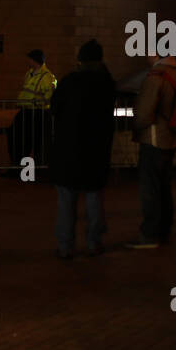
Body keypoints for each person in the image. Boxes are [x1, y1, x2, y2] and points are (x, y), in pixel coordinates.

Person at [49, 39, 116, 259]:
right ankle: (93, 242)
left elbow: (55, 108)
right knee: (94, 199)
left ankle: (65, 246)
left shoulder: (69, 82)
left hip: (67, 151)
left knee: (66, 202)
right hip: (95, 151)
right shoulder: (105, 84)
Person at [126, 55, 176, 250]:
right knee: (164, 186)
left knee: (150, 188)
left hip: (154, 138)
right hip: (170, 138)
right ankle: (164, 229)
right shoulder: (174, 75)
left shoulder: (155, 77)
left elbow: (143, 113)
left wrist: (136, 125)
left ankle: (150, 233)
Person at [6, 49, 56, 173]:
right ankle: (19, 168)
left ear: (35, 60)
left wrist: (38, 103)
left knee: (33, 142)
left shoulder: (48, 77)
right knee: (17, 139)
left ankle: (29, 171)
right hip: (26, 111)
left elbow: (50, 96)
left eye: (29, 59)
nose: (27, 61)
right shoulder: (29, 73)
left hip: (38, 113)